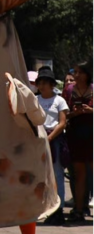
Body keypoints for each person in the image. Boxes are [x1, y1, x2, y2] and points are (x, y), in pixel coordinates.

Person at [35, 67, 69, 224]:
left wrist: (49, 137)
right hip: (38, 139)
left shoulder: (59, 100)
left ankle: (58, 208)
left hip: (54, 139)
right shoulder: (35, 100)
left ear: (52, 84)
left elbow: (62, 123)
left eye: (45, 83)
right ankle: (44, 207)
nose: (42, 86)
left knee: (57, 174)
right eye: (39, 83)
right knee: (41, 175)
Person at [64, 62, 92, 222]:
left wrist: (91, 111)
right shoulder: (69, 90)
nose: (76, 75)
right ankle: (79, 210)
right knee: (79, 174)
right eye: (75, 72)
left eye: (80, 72)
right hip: (75, 135)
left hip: (92, 135)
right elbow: (63, 114)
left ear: (87, 74)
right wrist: (74, 113)